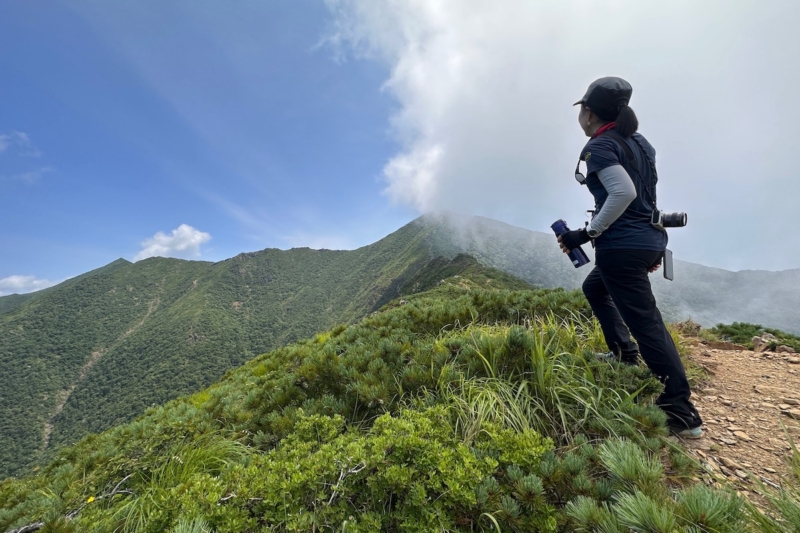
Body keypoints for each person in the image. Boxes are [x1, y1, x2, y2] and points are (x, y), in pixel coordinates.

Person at [557, 76, 703, 438]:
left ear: (588, 113)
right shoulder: (640, 142)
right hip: (648, 237)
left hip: (622, 247)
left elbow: (623, 192)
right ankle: (623, 353)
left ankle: (681, 411)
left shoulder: (599, 147)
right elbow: (643, 194)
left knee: (647, 323)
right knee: (596, 288)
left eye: (582, 110)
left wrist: (586, 234)